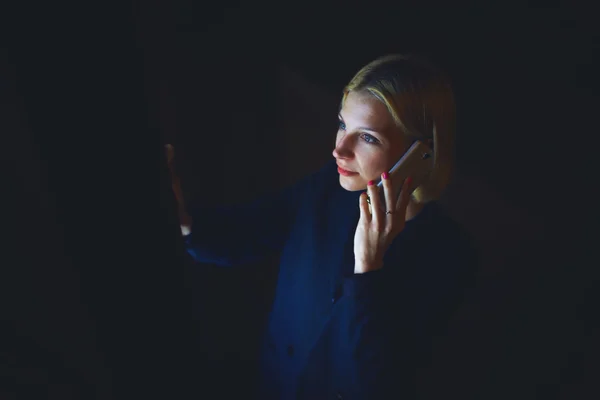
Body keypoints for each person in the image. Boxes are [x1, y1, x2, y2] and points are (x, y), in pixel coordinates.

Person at [166, 54, 478, 399]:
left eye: (368, 138)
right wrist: (183, 219)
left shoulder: (449, 255)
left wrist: (367, 270)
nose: (339, 149)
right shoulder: (328, 188)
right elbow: (248, 232)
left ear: (423, 154)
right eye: (343, 124)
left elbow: (376, 383)